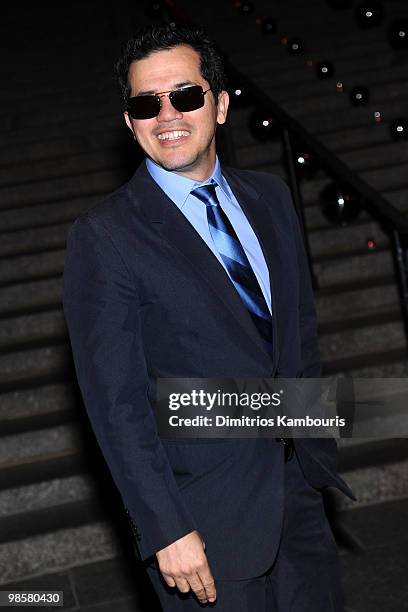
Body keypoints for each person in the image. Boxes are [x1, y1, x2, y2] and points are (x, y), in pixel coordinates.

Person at [62, 22, 354, 612]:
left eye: (186, 95)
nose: (166, 114)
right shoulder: (105, 237)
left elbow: (296, 339)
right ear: (129, 120)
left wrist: (316, 450)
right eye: (146, 102)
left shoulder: (270, 198)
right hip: (202, 524)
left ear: (219, 105)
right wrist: (165, 528)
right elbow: (115, 405)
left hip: (298, 498)